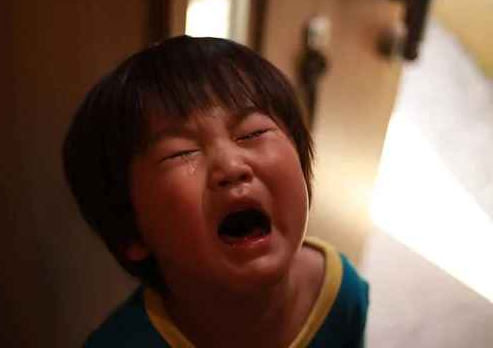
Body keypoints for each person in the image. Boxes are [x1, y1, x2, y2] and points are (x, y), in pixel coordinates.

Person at [63, 36, 369, 347]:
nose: (232, 165)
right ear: (130, 233)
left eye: (253, 132)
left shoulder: (340, 294)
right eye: (180, 153)